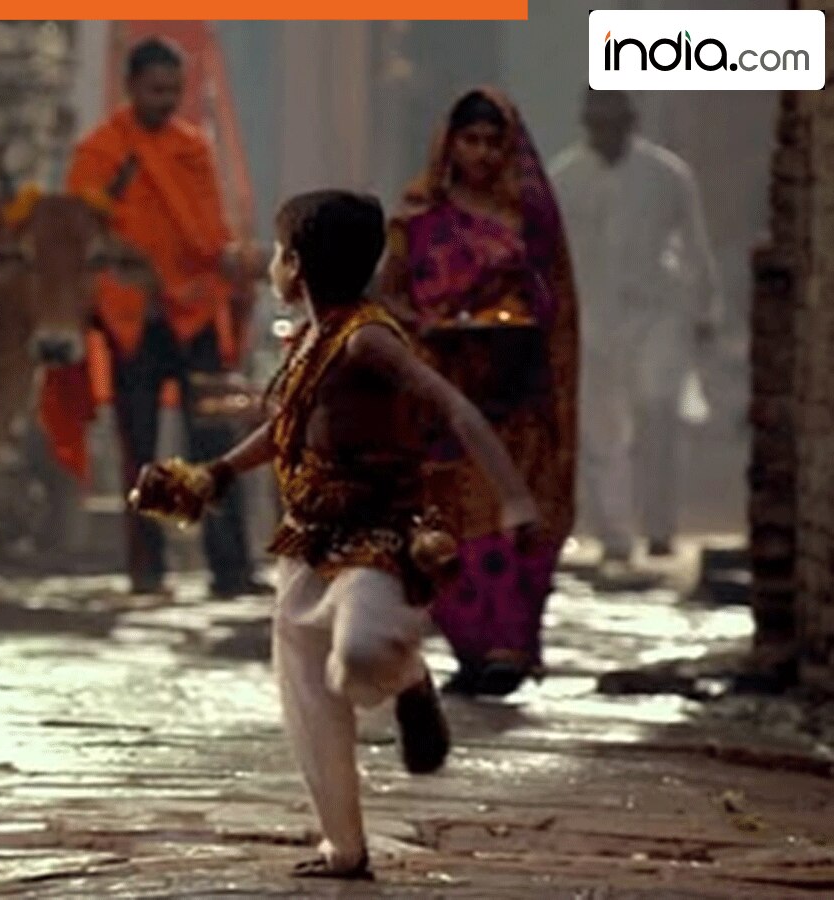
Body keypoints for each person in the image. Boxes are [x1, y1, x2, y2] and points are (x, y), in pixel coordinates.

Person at [130, 190, 539, 880]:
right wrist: (216, 474)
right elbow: (289, 427)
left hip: (379, 535)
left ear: (295, 265)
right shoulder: (312, 339)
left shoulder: (366, 340)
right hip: (307, 537)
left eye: (276, 253)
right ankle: (343, 848)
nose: (270, 265)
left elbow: (454, 408)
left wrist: (517, 499)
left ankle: (410, 680)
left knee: (357, 658)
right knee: (308, 697)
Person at [379, 88, 579, 696]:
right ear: (449, 145)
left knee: (516, 515)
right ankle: (473, 648)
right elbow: (390, 297)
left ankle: (508, 648)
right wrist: (427, 324)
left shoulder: (529, 222)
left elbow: (556, 301)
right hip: (442, 392)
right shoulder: (416, 221)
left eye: (495, 142)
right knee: (452, 521)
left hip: (516, 391)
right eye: (471, 140)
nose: (484, 154)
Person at [65, 36, 269, 599]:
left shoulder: (193, 146)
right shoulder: (102, 151)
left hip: (195, 312)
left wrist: (232, 260)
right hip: (134, 319)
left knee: (214, 441)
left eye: (175, 90)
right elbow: (84, 233)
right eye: (157, 90)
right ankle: (148, 570)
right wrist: (129, 280)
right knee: (141, 447)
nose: (167, 100)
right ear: (131, 87)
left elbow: (210, 231)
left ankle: (230, 569)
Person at [549, 88, 722, 567]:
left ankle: (660, 528)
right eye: (598, 122)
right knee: (600, 430)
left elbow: (694, 244)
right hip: (591, 318)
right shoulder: (565, 179)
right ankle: (616, 535)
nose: (606, 131)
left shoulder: (666, 175)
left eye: (614, 121)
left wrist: (705, 310)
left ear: (630, 121)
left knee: (657, 414)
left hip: (657, 312)